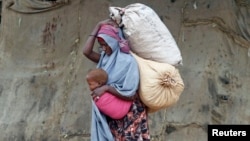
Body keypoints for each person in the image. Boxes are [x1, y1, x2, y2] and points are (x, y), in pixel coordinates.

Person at [83, 19, 150, 141]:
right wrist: (98, 25)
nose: (103, 49)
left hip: (130, 114)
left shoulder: (128, 62)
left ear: (113, 42)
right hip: (114, 114)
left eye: (105, 44)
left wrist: (107, 88)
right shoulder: (105, 59)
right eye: (101, 45)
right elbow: (86, 52)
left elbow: (130, 95)